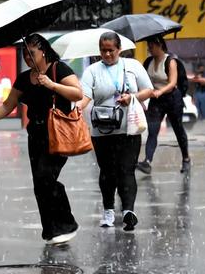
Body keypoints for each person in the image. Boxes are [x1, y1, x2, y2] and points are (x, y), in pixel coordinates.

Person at [0, 34, 83, 245]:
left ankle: (67, 223)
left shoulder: (58, 69)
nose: (27, 57)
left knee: (46, 177)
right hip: (35, 135)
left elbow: (77, 94)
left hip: (58, 132)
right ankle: (51, 231)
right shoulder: (24, 79)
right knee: (39, 184)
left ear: (43, 51)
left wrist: (52, 85)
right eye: (24, 53)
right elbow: (8, 105)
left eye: (31, 53)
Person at [77, 31, 153, 232]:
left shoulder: (132, 66)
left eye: (111, 50)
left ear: (119, 49)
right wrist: (76, 107)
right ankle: (108, 210)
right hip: (102, 130)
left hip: (129, 128)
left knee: (127, 169)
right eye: (103, 50)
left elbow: (149, 91)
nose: (107, 54)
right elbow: (85, 96)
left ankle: (128, 211)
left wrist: (132, 97)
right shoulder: (92, 71)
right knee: (107, 172)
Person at [137, 35, 190, 176]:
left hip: (172, 98)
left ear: (160, 45)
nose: (149, 48)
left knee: (178, 129)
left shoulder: (170, 61)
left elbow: (172, 83)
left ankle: (186, 158)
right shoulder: (148, 62)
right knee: (153, 130)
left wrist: (160, 91)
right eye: (148, 45)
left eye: (152, 46)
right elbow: (143, 81)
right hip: (156, 99)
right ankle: (147, 161)